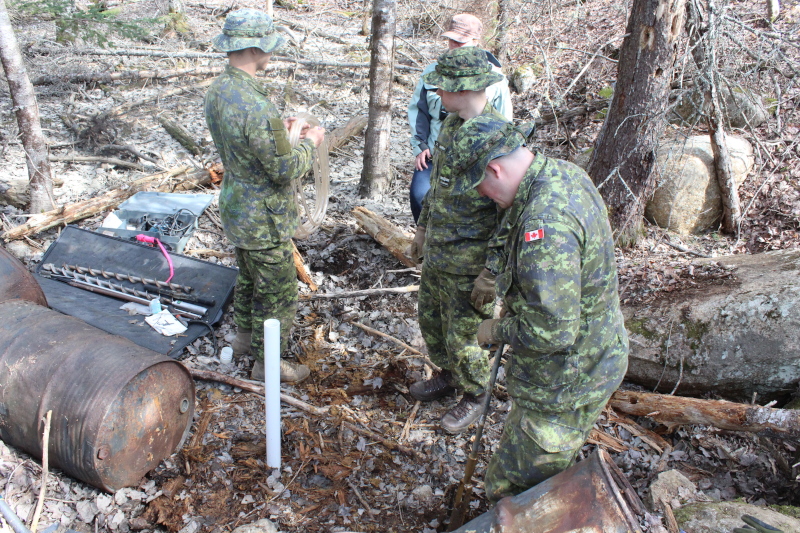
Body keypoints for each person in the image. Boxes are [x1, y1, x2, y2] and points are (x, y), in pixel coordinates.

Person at [448, 114, 629, 502]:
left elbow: (552, 329)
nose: (481, 194)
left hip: (567, 379)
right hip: (583, 362)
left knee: (516, 492)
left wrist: (494, 331)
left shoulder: (545, 225)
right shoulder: (560, 174)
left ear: (495, 168)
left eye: (479, 185)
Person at [204, 8, 325, 382]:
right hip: (264, 216)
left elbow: (247, 142)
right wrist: (312, 143)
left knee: (249, 278)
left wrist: (280, 130)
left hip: (237, 207)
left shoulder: (220, 89)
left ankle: (243, 339)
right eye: (269, 47)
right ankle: (267, 364)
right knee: (278, 292)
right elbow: (283, 168)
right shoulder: (256, 104)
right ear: (256, 49)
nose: (272, 53)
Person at [405, 46, 510, 434]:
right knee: (431, 319)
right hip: (440, 250)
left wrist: (492, 271)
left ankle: (475, 394)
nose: (436, 95)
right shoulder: (450, 125)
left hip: (472, 259)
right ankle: (448, 375)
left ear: (463, 89)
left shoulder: (498, 137)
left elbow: (509, 214)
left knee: (465, 334)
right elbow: (439, 186)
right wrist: (422, 229)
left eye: (442, 89)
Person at [406, 13, 512, 223]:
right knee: (420, 196)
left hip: (476, 160)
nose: (454, 45)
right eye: (451, 40)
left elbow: (505, 122)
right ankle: (426, 243)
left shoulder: (494, 78)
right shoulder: (433, 72)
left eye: (460, 41)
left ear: (475, 42)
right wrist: (419, 144)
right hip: (435, 154)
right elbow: (420, 110)